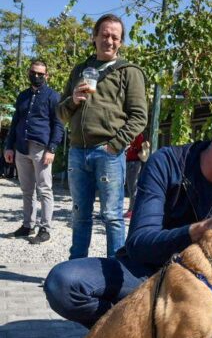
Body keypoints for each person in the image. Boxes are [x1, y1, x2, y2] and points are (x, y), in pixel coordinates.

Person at [44, 99, 212, 338]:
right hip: (145, 273)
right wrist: (200, 229)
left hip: (199, 285)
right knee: (64, 284)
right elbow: (140, 243)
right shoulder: (166, 163)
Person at [57, 14, 148, 259]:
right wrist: (73, 100)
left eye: (115, 37)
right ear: (94, 37)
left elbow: (140, 117)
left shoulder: (129, 72)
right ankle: (75, 268)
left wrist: (115, 145)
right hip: (78, 151)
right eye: (105, 35)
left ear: (121, 42)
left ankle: (114, 270)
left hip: (108, 153)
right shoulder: (80, 70)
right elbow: (60, 113)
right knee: (79, 214)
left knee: (112, 216)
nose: (109, 40)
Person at [4, 60, 64, 243]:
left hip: (41, 150)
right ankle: (27, 225)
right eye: (33, 72)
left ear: (47, 76)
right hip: (21, 149)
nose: (36, 76)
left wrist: (52, 148)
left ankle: (45, 228)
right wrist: (8, 146)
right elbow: (15, 124)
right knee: (26, 190)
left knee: (44, 189)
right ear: (29, 73)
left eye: (40, 74)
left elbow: (58, 125)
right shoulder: (22, 96)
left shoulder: (53, 96)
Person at [124, 132, 145, 219]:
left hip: (134, 162)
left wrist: (129, 147)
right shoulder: (133, 135)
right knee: (130, 186)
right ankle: (131, 209)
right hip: (130, 161)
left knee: (133, 187)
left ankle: (133, 210)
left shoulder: (138, 135)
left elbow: (138, 148)